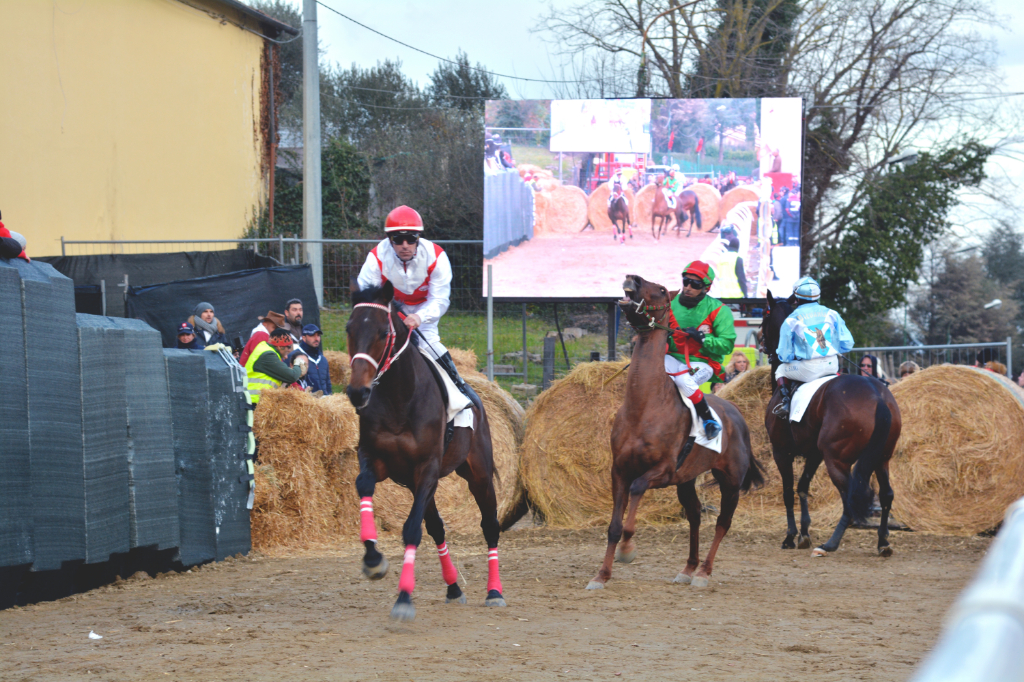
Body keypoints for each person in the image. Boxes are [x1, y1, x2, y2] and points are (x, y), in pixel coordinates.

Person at [357, 204, 480, 407]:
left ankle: (460, 392)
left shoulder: (437, 256)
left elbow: (440, 299)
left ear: (418, 238)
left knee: (432, 348)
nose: (405, 245)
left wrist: (420, 317)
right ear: (390, 240)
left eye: (411, 239)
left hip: (424, 316)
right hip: (391, 315)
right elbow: (366, 296)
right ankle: (360, 400)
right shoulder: (376, 258)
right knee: (369, 351)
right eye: (398, 239)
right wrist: (390, 316)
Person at [664, 261, 737, 439]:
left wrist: (703, 338)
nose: (688, 287)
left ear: (707, 288)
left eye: (695, 284)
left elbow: (727, 345)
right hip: (670, 358)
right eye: (685, 281)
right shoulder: (670, 303)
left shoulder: (720, 310)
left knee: (682, 381)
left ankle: (708, 419)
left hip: (703, 362)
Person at [773, 276, 855, 418]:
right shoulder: (832, 313)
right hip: (832, 365)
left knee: (780, 370)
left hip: (809, 370)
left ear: (797, 298)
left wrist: (791, 355)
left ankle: (785, 403)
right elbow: (847, 343)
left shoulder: (791, 319)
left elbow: (784, 356)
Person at [244, 327, 307, 405]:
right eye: (289, 347)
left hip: (259, 403)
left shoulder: (266, 350)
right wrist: (297, 364)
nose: (289, 350)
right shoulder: (268, 355)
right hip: (255, 403)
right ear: (280, 347)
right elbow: (292, 376)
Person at [287, 324, 331, 395]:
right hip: (305, 402)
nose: (316, 338)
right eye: (312, 335)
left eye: (318, 335)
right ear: (304, 338)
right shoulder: (293, 356)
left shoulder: (323, 359)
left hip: (324, 403)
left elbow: (328, 384)